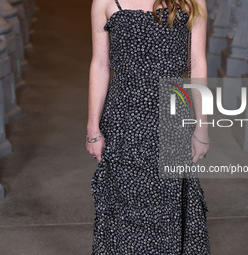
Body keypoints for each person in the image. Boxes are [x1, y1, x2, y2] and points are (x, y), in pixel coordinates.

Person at [86, 0, 210, 253]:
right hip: (124, 120)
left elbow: (197, 64)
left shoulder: (191, 1)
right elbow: (99, 64)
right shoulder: (105, 2)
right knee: (123, 206)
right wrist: (92, 129)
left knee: (169, 209)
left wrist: (202, 127)